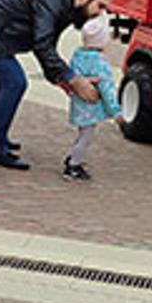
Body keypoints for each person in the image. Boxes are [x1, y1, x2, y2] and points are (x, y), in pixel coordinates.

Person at [0, 0, 115, 170]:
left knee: (4, 80)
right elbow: (43, 45)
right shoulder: (52, 1)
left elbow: (47, 47)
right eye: (100, 6)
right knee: (14, 82)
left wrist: (62, 79)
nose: (100, 14)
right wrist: (72, 79)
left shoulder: (64, 7)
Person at [62, 14, 125, 181]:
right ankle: (74, 165)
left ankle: (73, 157)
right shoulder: (100, 63)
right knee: (86, 137)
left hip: (78, 104)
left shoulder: (77, 56)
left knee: (82, 133)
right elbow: (107, 89)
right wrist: (116, 112)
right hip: (91, 106)